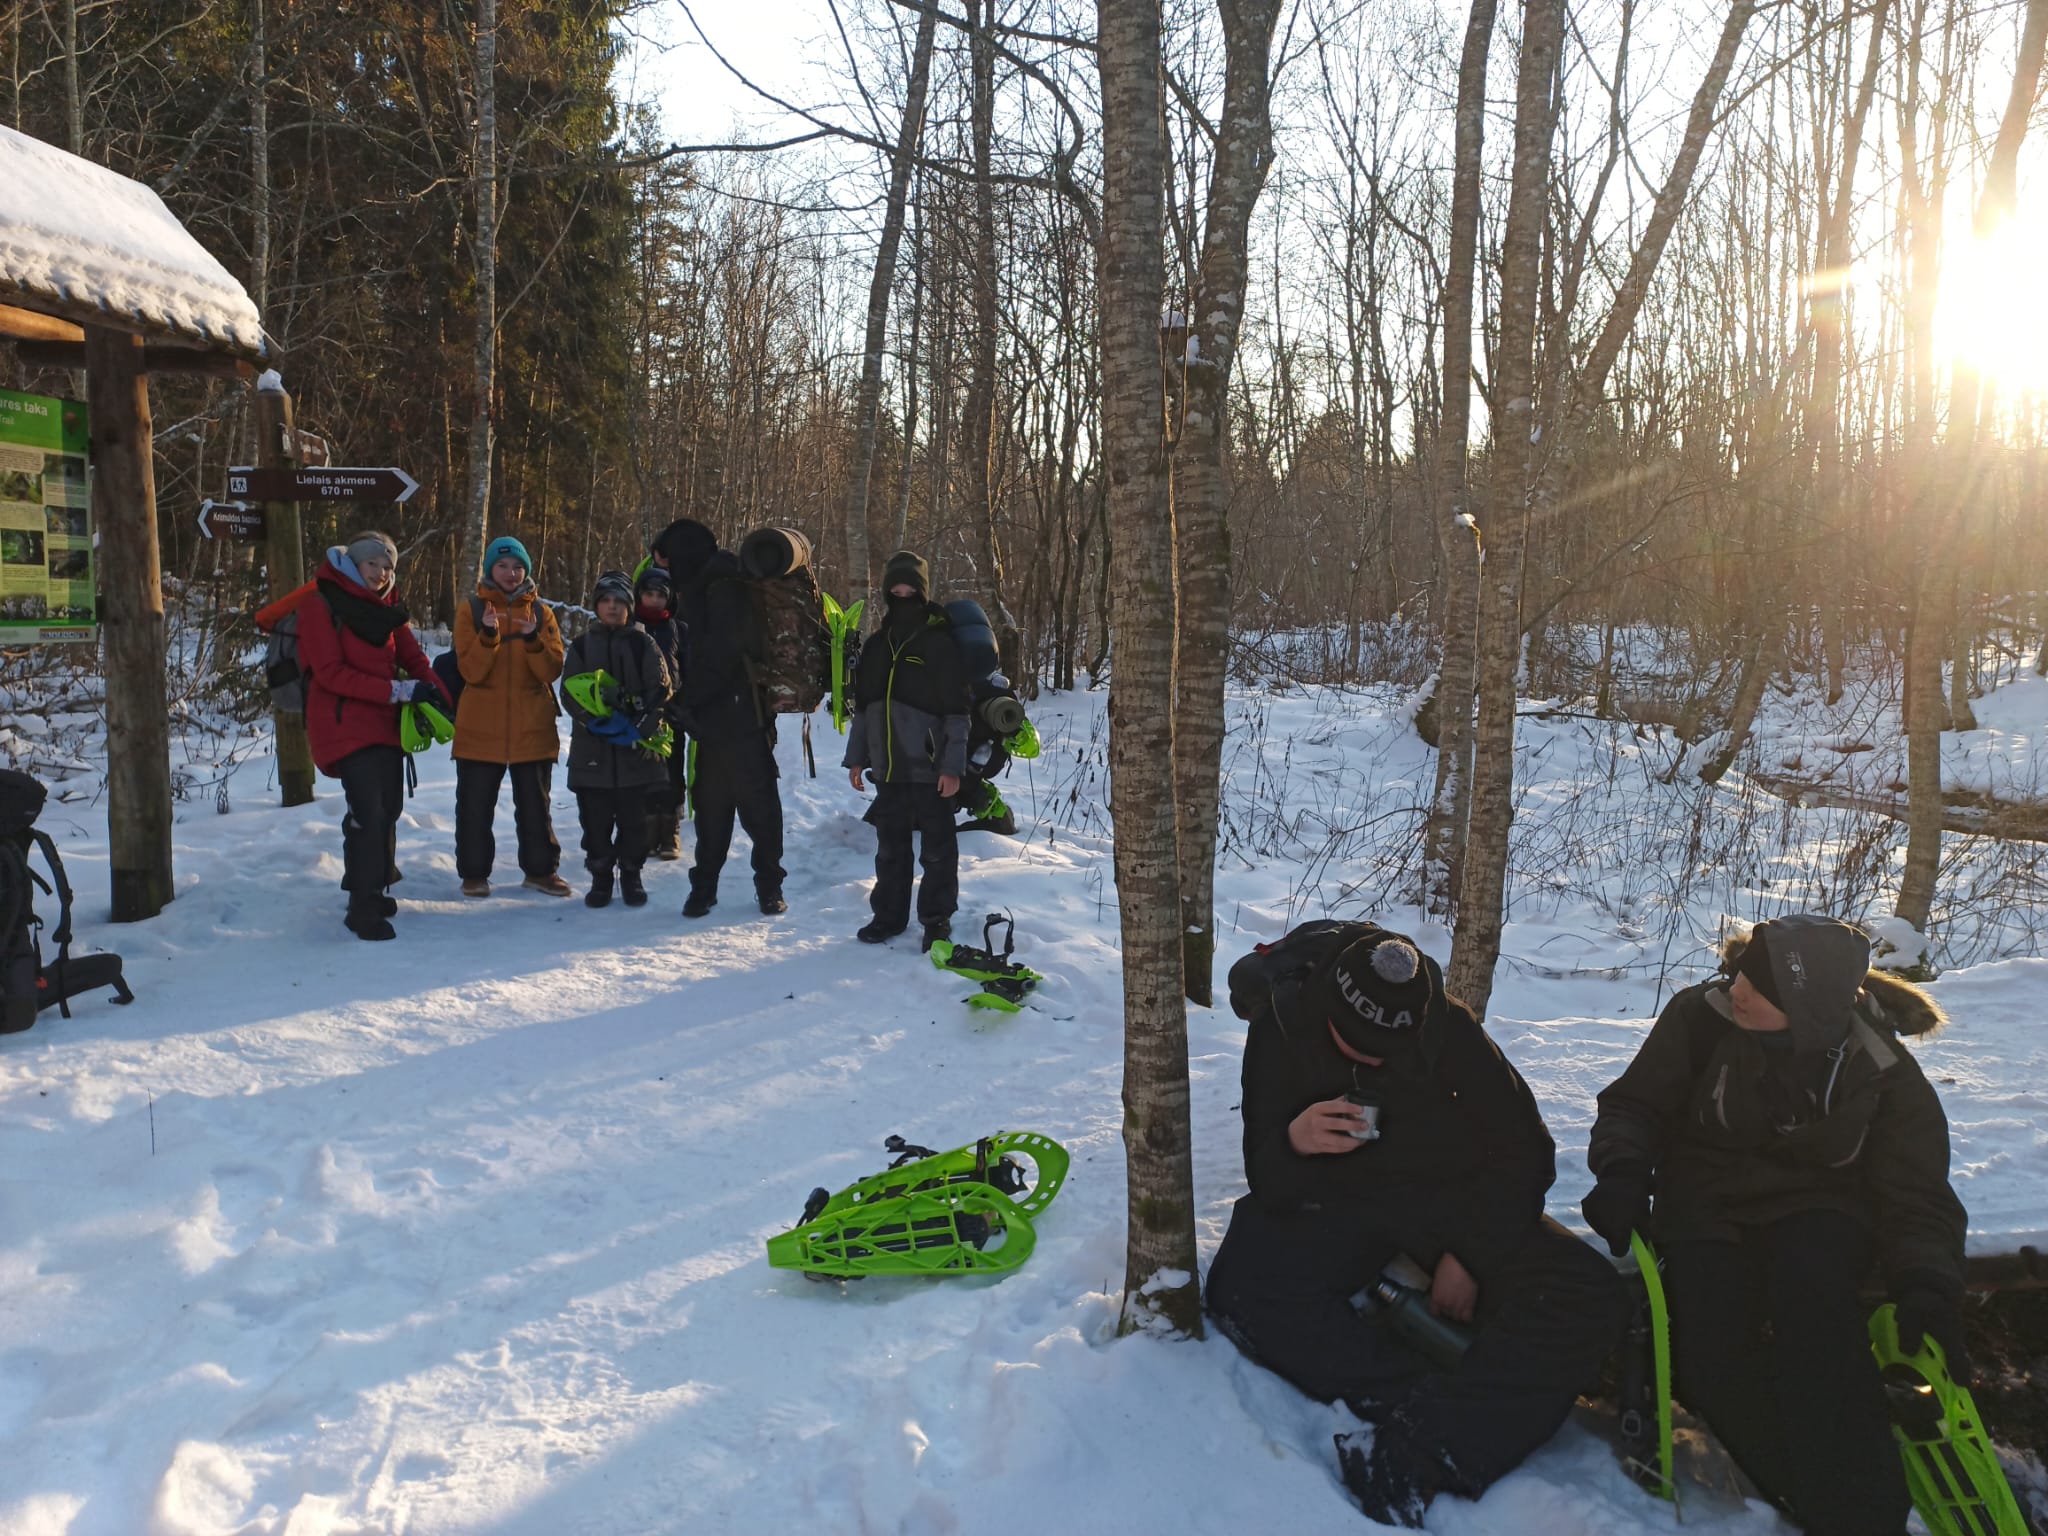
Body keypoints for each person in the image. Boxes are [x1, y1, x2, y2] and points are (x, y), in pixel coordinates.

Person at [1204, 921, 1623, 1527]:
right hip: (1335, 1198)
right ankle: (1426, 1396)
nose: (1371, 1062)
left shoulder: (1447, 1027)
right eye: (1355, 1048)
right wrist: (1296, 1142)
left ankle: (1424, 1449)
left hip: (1443, 1198)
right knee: (1241, 1292)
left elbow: (1526, 1152)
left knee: (1588, 1293)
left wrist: (1469, 1254)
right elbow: (1267, 1176)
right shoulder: (1282, 1021)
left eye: (1385, 1054)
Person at [1583, 915, 1966, 1536]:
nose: (1736, 988)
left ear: (1808, 1009)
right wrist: (1623, 1172)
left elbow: (1916, 1189)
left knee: (1822, 1334)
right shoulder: (1702, 1019)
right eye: (1740, 973)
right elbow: (1636, 1104)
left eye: (1758, 987)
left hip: (1819, 1208)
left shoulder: (1879, 1069)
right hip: (1705, 1204)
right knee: (1710, 1352)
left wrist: (1928, 1280)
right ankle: (1822, 1502)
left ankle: (1866, 1515)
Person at [296, 532, 451, 941]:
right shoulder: (320, 605)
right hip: (343, 722)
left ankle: (375, 886)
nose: (381, 575)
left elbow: (413, 657)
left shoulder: (384, 608)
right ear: (353, 564)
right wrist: (397, 691)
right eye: (373, 565)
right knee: (367, 811)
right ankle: (361, 907)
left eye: (387, 568)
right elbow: (329, 673)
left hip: (385, 725)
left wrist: (441, 695)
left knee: (389, 808)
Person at [658, 519, 787, 919]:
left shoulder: (723, 588)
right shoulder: (703, 586)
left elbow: (722, 655)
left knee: (758, 808)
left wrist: (688, 698)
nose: (662, 569)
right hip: (716, 719)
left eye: (665, 559)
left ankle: (769, 887)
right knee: (711, 807)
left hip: (742, 717)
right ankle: (705, 888)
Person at [843, 550, 970, 948]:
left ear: (922, 590)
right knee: (890, 850)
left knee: (937, 852)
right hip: (888, 769)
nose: (902, 593)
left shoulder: (939, 643)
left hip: (931, 770)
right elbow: (864, 709)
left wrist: (952, 768)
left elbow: (957, 713)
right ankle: (888, 916)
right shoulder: (878, 645)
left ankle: (936, 920)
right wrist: (857, 759)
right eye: (895, 588)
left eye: (909, 587)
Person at [451, 535, 569, 899]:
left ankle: (540, 872)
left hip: (532, 725)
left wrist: (533, 640)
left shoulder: (542, 613)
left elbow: (551, 669)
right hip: (479, 728)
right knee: (474, 808)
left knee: (536, 808)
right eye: (502, 566)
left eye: (518, 567)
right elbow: (470, 670)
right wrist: (489, 634)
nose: (511, 573)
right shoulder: (470, 610)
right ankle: (474, 874)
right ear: (489, 569)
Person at [560, 571, 672, 909]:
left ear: (628, 607)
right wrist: (593, 721)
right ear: (596, 606)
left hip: (635, 753)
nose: (611, 608)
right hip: (591, 754)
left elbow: (661, 690)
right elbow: (569, 692)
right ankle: (601, 877)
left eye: (618, 602)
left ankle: (632, 874)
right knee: (594, 824)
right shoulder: (581, 645)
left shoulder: (643, 643)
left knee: (634, 823)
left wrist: (641, 724)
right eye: (605, 601)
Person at [633, 565, 687, 861]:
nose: (653, 600)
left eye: (659, 595)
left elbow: (688, 669)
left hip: (671, 714)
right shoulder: (629, 626)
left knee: (671, 773)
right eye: (648, 594)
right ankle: (647, 829)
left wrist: (685, 707)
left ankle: (670, 830)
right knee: (643, 775)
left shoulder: (679, 629)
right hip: (639, 715)